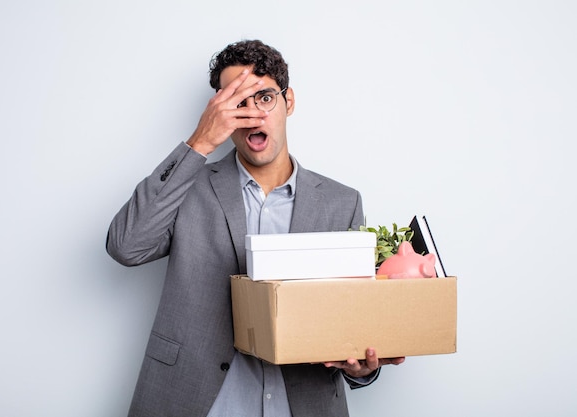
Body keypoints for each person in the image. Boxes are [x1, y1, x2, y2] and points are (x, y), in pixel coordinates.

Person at [106, 39, 404, 417]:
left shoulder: (342, 202)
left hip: (300, 403)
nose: (252, 115)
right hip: (198, 401)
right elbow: (126, 246)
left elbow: (351, 320)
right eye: (237, 103)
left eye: (264, 98)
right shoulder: (187, 189)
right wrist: (200, 142)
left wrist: (361, 369)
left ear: (288, 102)